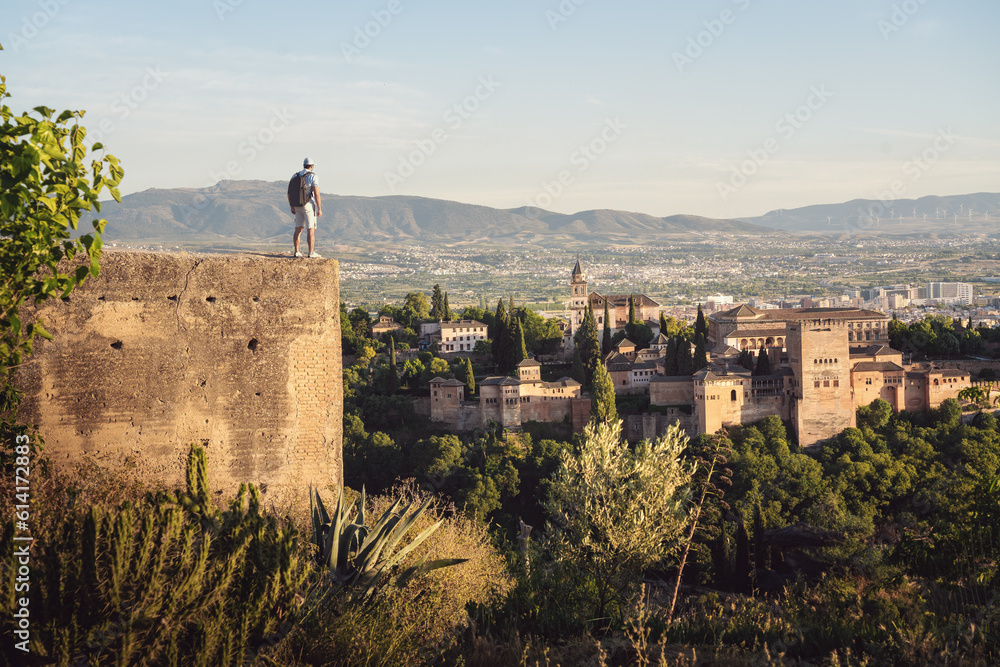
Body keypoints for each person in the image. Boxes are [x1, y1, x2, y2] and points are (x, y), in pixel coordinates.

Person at [289, 157, 323, 258]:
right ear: (312, 166)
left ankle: (297, 252)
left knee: (298, 229)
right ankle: (311, 252)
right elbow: (316, 194)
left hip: (297, 205)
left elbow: (289, 193)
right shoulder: (313, 176)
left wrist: (291, 206)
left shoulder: (295, 176)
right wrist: (319, 208)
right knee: (310, 229)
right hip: (308, 204)